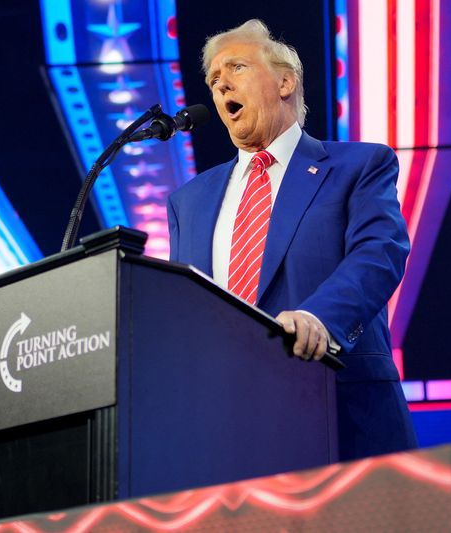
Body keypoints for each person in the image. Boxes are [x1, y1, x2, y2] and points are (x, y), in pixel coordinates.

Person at [167, 19, 418, 460]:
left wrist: (320, 318)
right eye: (212, 79)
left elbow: (379, 253)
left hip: (338, 413)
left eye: (236, 67)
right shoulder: (188, 201)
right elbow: (181, 310)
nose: (220, 82)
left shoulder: (358, 166)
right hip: (224, 433)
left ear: (285, 82)